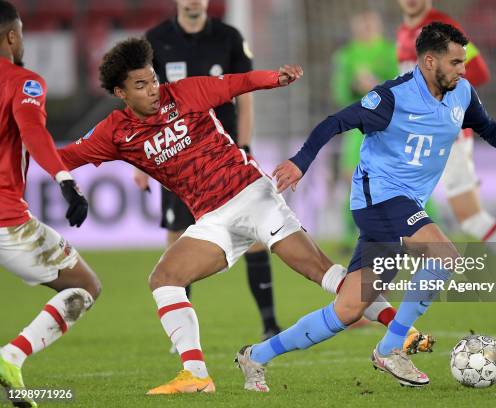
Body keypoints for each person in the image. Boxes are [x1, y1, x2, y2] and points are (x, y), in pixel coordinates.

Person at [57, 38, 405, 395]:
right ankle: (195, 375)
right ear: (121, 92)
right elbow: (61, 158)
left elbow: (237, 83)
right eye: (141, 85)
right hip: (213, 218)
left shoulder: (185, 94)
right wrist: (59, 177)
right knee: (164, 278)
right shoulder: (115, 132)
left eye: (154, 80)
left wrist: (275, 77)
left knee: (323, 273)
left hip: (253, 196)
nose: (153, 91)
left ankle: (400, 329)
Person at [236, 22, 496, 391]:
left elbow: (486, 126)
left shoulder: (462, 94)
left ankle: (256, 356)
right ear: (429, 61)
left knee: (346, 310)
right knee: (445, 256)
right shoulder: (392, 98)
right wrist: (301, 161)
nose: (463, 68)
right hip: (378, 197)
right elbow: (335, 122)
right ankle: (392, 349)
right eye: (456, 61)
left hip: (402, 203)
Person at [132, 0, 283, 343]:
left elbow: (245, 96)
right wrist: (139, 162)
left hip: (226, 159)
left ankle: (270, 323)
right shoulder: (155, 40)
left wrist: (245, 147)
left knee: (257, 239)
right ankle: (181, 338)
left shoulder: (229, 37)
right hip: (178, 160)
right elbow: (140, 103)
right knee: (177, 245)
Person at [396, 0, 496, 328]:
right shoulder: (404, 31)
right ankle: (374, 304)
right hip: (420, 138)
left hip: (446, 138)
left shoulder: (441, 26)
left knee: (468, 218)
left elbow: (478, 71)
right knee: (394, 210)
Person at [0, 2, 101, 407]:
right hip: (6, 221)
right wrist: (64, 179)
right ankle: (12, 356)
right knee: (85, 285)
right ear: (11, 36)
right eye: (21, 32)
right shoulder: (23, 82)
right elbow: (33, 132)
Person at [331, 10, 400, 251]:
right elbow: (339, 94)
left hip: (390, 125)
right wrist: (354, 85)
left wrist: (376, 85)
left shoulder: (391, 52)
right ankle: (350, 236)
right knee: (352, 177)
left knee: (401, 177)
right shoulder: (346, 56)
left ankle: (424, 227)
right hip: (359, 125)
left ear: (379, 26)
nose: (366, 29)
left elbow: (403, 85)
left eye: (371, 25)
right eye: (362, 25)